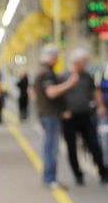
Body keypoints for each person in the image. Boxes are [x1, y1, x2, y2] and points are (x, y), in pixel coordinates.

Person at [62, 48, 108, 185]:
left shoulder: (87, 76)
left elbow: (96, 91)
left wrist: (100, 106)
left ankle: (103, 172)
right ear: (76, 62)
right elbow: (58, 96)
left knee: (94, 144)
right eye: (84, 62)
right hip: (69, 117)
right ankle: (78, 175)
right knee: (71, 147)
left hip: (85, 115)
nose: (86, 64)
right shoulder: (63, 76)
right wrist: (63, 110)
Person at [34, 44, 79, 189]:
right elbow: (51, 93)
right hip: (50, 115)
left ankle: (49, 177)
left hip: (47, 113)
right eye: (56, 57)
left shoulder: (43, 71)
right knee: (52, 147)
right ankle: (50, 178)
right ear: (52, 57)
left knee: (49, 146)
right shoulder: (46, 73)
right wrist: (69, 84)